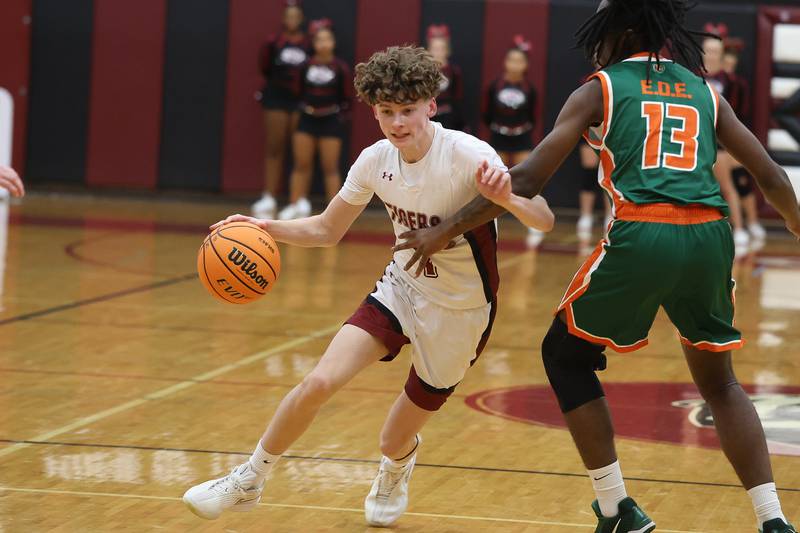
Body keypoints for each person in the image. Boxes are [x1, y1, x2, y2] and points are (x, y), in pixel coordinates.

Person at [393, 1, 800, 532]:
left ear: (623, 30)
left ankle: (616, 508)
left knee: (564, 357)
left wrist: (441, 230)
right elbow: (770, 175)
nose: (593, 41)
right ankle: (772, 520)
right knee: (720, 383)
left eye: (600, 28)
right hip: (710, 237)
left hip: (644, 228)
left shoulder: (600, 88)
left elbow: (531, 178)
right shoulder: (705, 91)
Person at [183, 45, 554, 527]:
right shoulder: (374, 160)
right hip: (400, 287)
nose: (397, 123)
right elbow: (325, 230)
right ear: (372, 110)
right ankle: (250, 479)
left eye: (407, 111)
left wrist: (509, 199)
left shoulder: (467, 154)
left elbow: (543, 219)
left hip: (461, 313)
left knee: (390, 440)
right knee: (319, 380)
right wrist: (263, 227)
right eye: (385, 112)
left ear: (430, 106)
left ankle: (396, 466)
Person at [277, 19, 352, 220]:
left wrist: (339, 117)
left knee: (330, 168)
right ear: (314, 43)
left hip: (330, 121)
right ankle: (295, 204)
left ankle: (334, 214)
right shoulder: (305, 66)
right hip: (307, 119)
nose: (324, 43)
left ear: (334, 42)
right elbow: (297, 92)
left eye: (328, 39)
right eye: (319, 39)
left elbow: (347, 97)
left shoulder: (341, 68)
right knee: (301, 164)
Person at [702, 27, 766, 250]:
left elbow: (738, 117)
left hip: (721, 144)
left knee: (730, 185)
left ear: (721, 54)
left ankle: (740, 228)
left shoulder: (732, 82)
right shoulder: (692, 78)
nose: (711, 55)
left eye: (715, 51)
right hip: (696, 142)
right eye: (707, 50)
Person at [482, 35, 542, 247]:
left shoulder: (530, 89)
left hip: (522, 138)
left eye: (520, 61)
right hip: (499, 136)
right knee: (494, 180)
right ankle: (489, 223)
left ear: (525, 65)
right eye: (512, 60)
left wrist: (520, 132)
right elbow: (486, 114)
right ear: (505, 62)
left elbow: (534, 116)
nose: (515, 64)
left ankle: (533, 224)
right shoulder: (494, 86)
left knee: (526, 181)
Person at [252, 0, 310, 219]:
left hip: (299, 101)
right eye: (289, 16)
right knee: (275, 146)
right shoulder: (273, 42)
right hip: (276, 99)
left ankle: (298, 198)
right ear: (283, 18)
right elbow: (264, 67)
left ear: (301, 19)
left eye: (296, 16)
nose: (292, 20)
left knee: (300, 150)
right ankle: (268, 196)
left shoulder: (309, 44)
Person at [426, 24, 465, 131]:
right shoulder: (424, 71)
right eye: (435, 49)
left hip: (447, 117)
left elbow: (458, 98)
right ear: (429, 50)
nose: (438, 52)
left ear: (447, 50)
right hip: (428, 115)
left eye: (441, 49)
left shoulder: (453, 71)